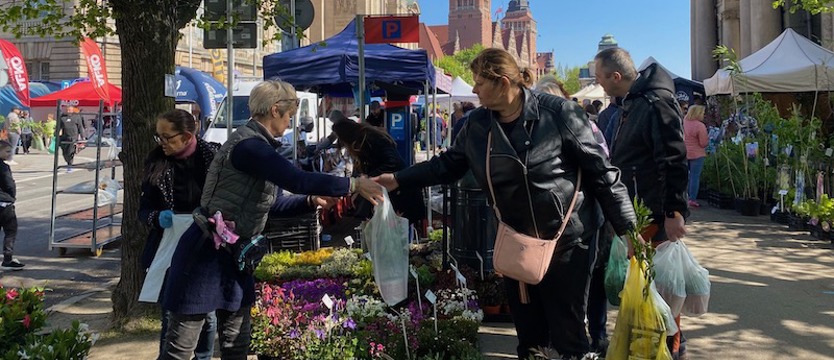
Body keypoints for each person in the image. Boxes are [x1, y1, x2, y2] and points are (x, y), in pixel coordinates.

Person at [374, 48, 638, 359]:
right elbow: (447, 165)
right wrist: (398, 179)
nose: (474, 89)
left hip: (568, 243)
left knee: (568, 333)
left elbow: (602, 174)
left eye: (479, 82)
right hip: (517, 241)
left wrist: (628, 229)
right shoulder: (477, 125)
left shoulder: (559, 113)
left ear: (502, 83)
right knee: (529, 334)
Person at [161, 80, 384, 360]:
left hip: (233, 256)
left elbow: (271, 205)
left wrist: (309, 201)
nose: (290, 123)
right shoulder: (250, 147)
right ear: (275, 110)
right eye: (289, 115)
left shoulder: (258, 147)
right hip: (205, 254)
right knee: (180, 351)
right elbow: (297, 179)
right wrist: (353, 184)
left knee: (237, 346)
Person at [595, 47, 690, 360]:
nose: (598, 83)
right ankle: (650, 346)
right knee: (644, 287)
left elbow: (673, 158)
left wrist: (674, 211)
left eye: (599, 77)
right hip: (639, 209)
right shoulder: (633, 102)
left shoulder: (654, 102)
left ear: (616, 76)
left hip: (652, 212)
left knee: (660, 288)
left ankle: (670, 349)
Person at [536, 75, 610, 354]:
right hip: (550, 224)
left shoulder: (586, 127)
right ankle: (562, 338)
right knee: (555, 286)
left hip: (584, 220)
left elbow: (603, 170)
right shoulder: (537, 131)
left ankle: (594, 336)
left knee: (588, 283)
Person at [139, 109, 219, 360]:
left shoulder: (214, 158)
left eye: (167, 137)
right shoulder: (156, 162)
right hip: (169, 246)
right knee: (170, 309)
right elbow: (143, 210)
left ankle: (203, 357)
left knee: (207, 312)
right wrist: (157, 218)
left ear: (186, 136)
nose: (161, 142)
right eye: (158, 137)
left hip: (206, 245)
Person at [331, 113, 426, 225]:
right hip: (398, 190)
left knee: (396, 229)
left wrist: (367, 178)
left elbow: (392, 162)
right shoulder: (367, 137)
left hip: (402, 191)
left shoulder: (370, 139)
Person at [0, 141, 22, 270]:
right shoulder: (3, 167)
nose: (9, 154)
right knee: (10, 230)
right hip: (4, 203)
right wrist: (12, 197)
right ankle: (7, 260)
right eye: (7, 151)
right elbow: (9, 184)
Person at [683, 105, 708, 208]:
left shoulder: (683, 122)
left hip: (684, 152)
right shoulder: (700, 126)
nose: (704, 115)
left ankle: (682, 197)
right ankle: (692, 199)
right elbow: (703, 143)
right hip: (697, 154)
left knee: (684, 176)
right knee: (694, 177)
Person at [58, 106, 85, 172]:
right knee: (65, 153)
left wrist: (83, 137)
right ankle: (68, 162)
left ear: (72, 110)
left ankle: (70, 165)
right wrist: (56, 134)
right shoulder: (62, 118)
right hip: (64, 137)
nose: (68, 111)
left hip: (73, 138)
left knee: (70, 152)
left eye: (69, 110)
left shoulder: (76, 117)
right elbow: (58, 127)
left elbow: (80, 127)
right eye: (67, 110)